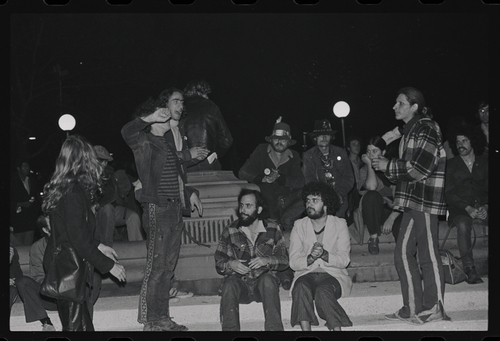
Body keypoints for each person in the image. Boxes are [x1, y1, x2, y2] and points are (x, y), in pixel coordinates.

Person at [121, 88, 203, 331]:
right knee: (156, 268)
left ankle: (163, 318)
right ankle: (150, 321)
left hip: (175, 209)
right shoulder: (144, 141)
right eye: (165, 112)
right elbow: (126, 131)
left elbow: (174, 178)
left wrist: (190, 194)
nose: (172, 114)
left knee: (167, 269)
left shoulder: (166, 145)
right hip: (158, 209)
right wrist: (150, 117)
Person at [372, 87, 449, 324]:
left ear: (414, 106)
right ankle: (413, 306)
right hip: (410, 202)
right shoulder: (410, 132)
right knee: (402, 254)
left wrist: (389, 165)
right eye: (396, 103)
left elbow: (421, 168)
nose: (395, 107)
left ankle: (435, 306)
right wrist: (385, 163)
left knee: (428, 255)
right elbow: (404, 174)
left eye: (401, 103)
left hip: (424, 201)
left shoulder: (427, 127)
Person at [41, 134, 126, 331]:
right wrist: (108, 266)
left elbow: (74, 230)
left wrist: (99, 245)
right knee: (76, 327)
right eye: (91, 157)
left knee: (83, 326)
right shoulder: (72, 192)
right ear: (82, 161)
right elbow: (78, 239)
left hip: (69, 264)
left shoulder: (70, 189)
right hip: (69, 267)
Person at [214, 189, 288, 331]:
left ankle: (275, 331)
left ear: (259, 209)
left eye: (248, 206)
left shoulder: (272, 228)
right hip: (240, 285)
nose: (243, 210)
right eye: (241, 205)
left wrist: (267, 260)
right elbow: (219, 261)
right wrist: (230, 264)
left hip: (264, 287)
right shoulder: (231, 230)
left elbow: (284, 260)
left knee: (268, 280)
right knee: (229, 284)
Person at [289, 181, 353, 331]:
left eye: (315, 201)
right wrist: (311, 257)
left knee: (323, 292)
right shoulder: (299, 225)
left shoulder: (340, 224)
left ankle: (336, 330)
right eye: (308, 200)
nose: (309, 204)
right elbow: (293, 262)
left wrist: (324, 255)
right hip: (307, 273)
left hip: (333, 275)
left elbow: (344, 260)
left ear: (326, 204)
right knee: (300, 287)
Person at [445, 125, 487, 284]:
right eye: (457, 142)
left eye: (464, 140)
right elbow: (448, 193)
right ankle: (470, 269)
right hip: (459, 209)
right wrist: (467, 207)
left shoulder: (484, 162)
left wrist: (486, 206)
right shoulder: (451, 164)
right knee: (463, 225)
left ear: (473, 142)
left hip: (483, 207)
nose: (460, 144)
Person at [358, 136, 402, 254]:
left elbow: (404, 195)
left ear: (383, 152)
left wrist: (392, 218)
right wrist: (369, 166)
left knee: (401, 225)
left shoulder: (394, 167)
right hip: (375, 212)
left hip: (397, 210)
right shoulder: (364, 170)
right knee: (371, 195)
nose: (371, 155)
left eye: (374, 151)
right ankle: (373, 238)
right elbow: (372, 187)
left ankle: (403, 252)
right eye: (368, 151)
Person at [302, 119, 354, 218]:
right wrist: (323, 196)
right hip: (318, 199)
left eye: (327, 134)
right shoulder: (309, 155)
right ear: (315, 138)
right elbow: (308, 179)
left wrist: (339, 193)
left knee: (337, 224)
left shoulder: (341, 152)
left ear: (331, 137)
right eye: (320, 135)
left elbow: (349, 178)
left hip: (339, 197)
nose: (324, 137)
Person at [93, 145, 144, 245]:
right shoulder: (83, 174)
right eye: (100, 160)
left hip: (110, 208)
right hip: (90, 212)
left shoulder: (109, 173)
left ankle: (137, 248)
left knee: (133, 217)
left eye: (105, 160)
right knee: (107, 209)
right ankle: (107, 246)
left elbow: (111, 194)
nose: (103, 163)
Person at [181, 79, 233, 171]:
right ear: (200, 93)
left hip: (184, 163)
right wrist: (214, 154)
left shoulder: (179, 107)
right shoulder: (210, 106)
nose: (208, 97)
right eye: (206, 94)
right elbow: (226, 140)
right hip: (207, 163)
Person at [9, 242, 56, 331]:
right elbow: (38, 277)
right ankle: (46, 322)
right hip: (47, 290)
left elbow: (18, 278)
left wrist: (10, 263)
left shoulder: (10, 249)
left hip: (66, 294)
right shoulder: (38, 247)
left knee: (21, 283)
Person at [10, 159, 41, 246]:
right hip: (18, 221)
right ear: (18, 168)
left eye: (28, 166)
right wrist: (21, 204)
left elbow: (35, 196)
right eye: (24, 166)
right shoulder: (13, 181)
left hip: (30, 220)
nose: (27, 168)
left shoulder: (31, 180)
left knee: (28, 246)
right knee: (19, 246)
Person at [345, 135, 363, 226]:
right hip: (351, 194)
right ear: (348, 148)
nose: (357, 146)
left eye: (358, 144)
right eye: (354, 144)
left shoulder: (363, 163)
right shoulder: (345, 163)